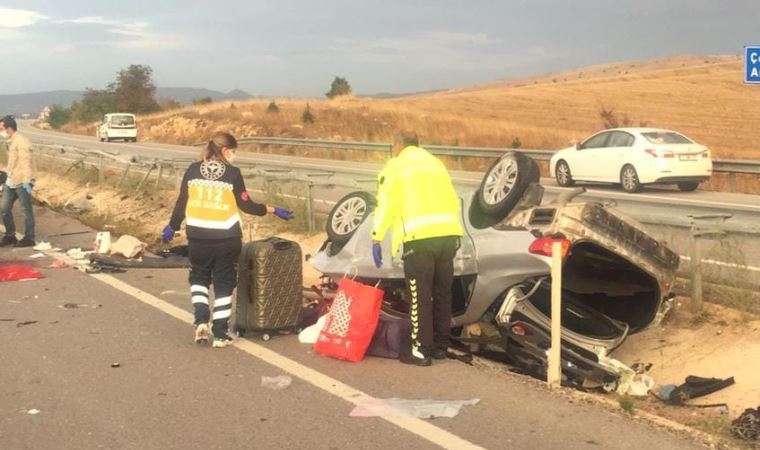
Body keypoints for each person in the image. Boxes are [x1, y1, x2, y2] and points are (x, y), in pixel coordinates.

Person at [163, 132, 294, 348]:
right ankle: (221, 334)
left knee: (199, 277)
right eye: (233, 151)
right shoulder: (232, 174)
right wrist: (273, 209)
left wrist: (172, 227)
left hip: (198, 236)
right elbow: (246, 205)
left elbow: (181, 203)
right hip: (226, 237)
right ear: (224, 151)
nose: (234, 155)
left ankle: (201, 319)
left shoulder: (193, 170)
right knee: (224, 283)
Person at [371, 130, 464, 366]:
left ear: (398, 145)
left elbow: (386, 204)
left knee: (419, 295)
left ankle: (421, 350)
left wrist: (377, 237)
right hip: (447, 235)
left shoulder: (396, 166)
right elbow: (453, 199)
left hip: (419, 238)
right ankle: (441, 346)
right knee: (443, 293)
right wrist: (455, 230)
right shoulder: (435, 164)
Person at [1, 116, 36, 247]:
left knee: (26, 210)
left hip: (22, 181)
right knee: (4, 208)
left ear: (9, 128)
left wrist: (27, 181)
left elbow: (26, 162)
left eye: (2, 128)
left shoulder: (22, 142)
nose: (1, 131)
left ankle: (29, 238)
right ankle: (10, 235)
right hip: (11, 180)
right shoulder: (11, 141)